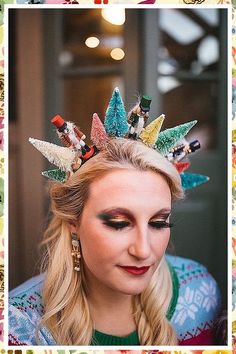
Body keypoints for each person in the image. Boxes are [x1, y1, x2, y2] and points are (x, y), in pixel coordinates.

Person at [9, 89, 221, 346]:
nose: (144, 251)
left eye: (158, 223)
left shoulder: (201, 294)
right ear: (73, 223)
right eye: (119, 224)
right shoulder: (18, 326)